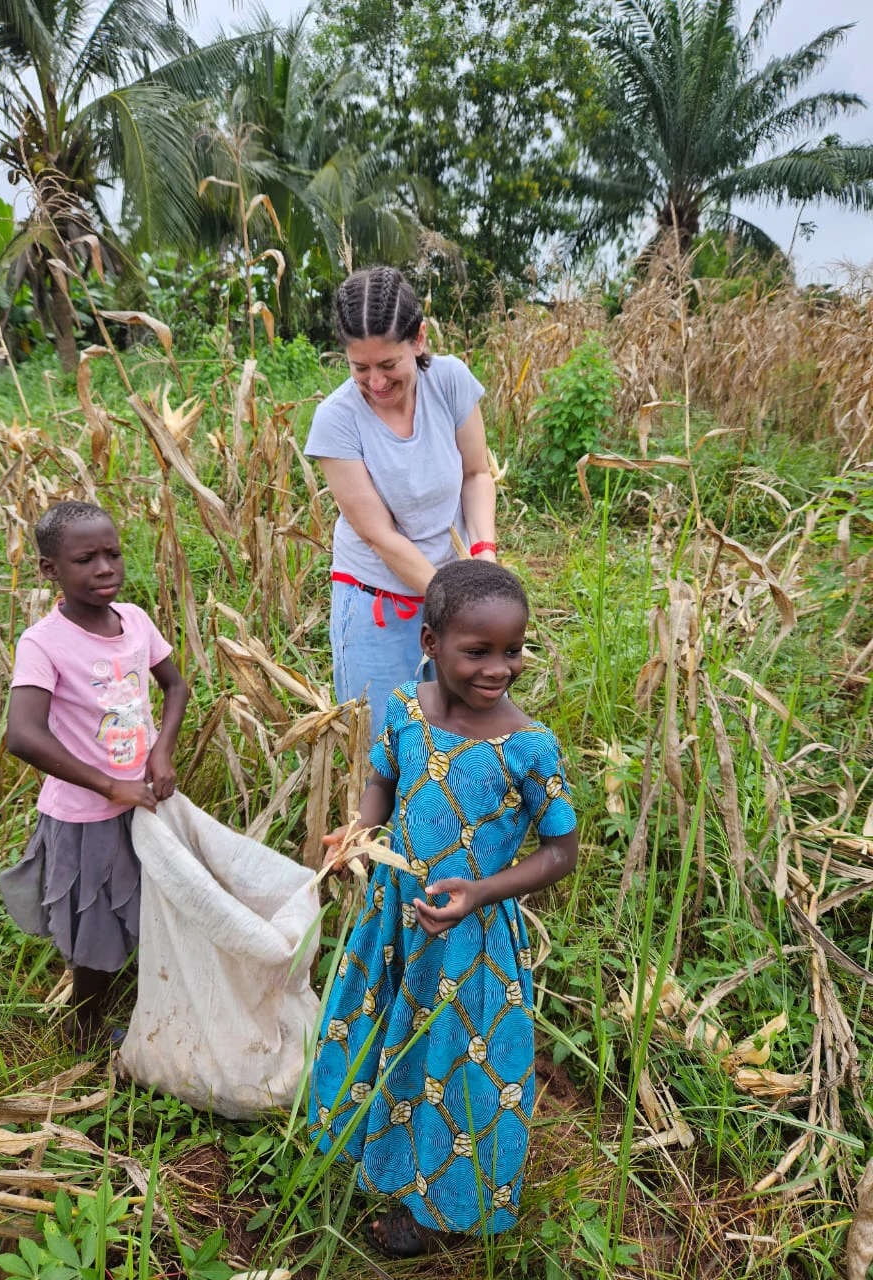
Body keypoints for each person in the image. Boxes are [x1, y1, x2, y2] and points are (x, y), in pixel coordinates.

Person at [308, 560, 578, 1258]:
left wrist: (481, 892)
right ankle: (382, 1161)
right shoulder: (404, 707)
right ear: (429, 641)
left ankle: (440, 1212)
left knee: (455, 1063)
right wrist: (363, 831)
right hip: (395, 918)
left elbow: (561, 853)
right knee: (387, 1038)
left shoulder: (527, 747)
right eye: (477, 651)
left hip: (471, 939)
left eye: (512, 650)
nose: (499, 668)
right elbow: (382, 780)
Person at [1, 500, 189, 1051]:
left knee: (135, 908)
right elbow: (24, 735)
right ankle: (83, 1029)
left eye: (113, 553)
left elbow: (173, 686)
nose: (105, 568)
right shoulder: (44, 643)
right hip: (87, 813)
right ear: (50, 570)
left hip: (141, 800)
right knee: (96, 928)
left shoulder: (134, 621)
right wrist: (109, 784)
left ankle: (121, 1000)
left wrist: (161, 752)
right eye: (86, 559)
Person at [304, 266, 498, 734]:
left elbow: (476, 474)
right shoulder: (337, 420)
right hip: (378, 606)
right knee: (387, 751)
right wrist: (456, 605)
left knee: (468, 740)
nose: (375, 382)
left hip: (455, 590)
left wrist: (484, 561)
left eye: (388, 365)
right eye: (359, 368)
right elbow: (379, 535)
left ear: (419, 339)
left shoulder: (450, 381)